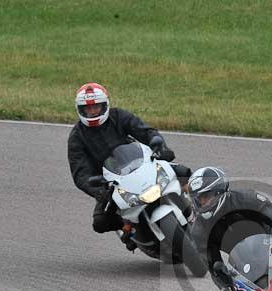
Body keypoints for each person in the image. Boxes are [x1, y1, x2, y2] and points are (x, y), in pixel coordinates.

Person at [67, 82, 190, 241]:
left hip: (142, 165)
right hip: (111, 183)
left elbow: (144, 131)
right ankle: (129, 228)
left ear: (105, 105)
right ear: (80, 110)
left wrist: (159, 145)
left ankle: (199, 206)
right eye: (88, 109)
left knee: (184, 172)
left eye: (96, 107)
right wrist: (98, 191)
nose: (92, 111)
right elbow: (79, 173)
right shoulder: (77, 137)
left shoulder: (119, 116)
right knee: (100, 222)